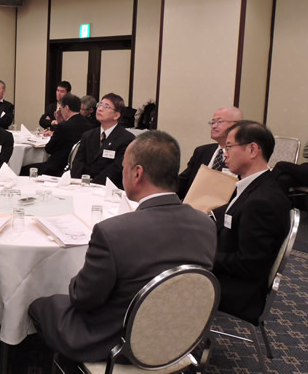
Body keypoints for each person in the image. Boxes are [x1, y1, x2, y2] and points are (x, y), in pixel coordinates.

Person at [29, 131, 216, 363]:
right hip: (181, 339)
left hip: (117, 344)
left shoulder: (113, 232)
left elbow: (82, 298)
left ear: (137, 173)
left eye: (124, 167)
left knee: (40, 305)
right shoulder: (206, 224)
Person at [212, 120, 291, 322]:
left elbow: (249, 264)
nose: (224, 153)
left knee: (162, 274)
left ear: (252, 149)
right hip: (230, 275)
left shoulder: (262, 201)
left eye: (229, 147)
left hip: (238, 290)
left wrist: (203, 256)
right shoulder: (257, 186)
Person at [177, 107, 243, 199]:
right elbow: (181, 183)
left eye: (219, 122)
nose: (214, 126)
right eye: (212, 122)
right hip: (193, 205)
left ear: (237, 125)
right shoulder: (202, 152)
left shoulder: (242, 155)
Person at [71, 93, 135, 187]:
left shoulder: (126, 139)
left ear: (116, 115)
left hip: (108, 188)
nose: (100, 109)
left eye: (106, 106)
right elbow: (78, 163)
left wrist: (93, 185)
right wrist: (78, 182)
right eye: (100, 104)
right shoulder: (88, 135)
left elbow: (116, 170)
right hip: (82, 186)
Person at [22, 94, 91, 176]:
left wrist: (59, 124)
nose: (60, 111)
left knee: (23, 169)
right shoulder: (88, 125)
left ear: (67, 108)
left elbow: (49, 149)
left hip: (57, 168)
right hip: (76, 168)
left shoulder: (63, 126)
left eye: (61, 108)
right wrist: (60, 122)